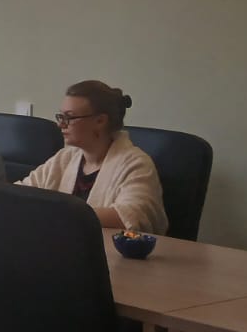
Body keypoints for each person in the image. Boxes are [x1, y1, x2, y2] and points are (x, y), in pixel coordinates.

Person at [19, 80, 167, 234]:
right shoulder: (65, 157)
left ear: (100, 121)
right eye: (60, 117)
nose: (61, 125)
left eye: (69, 118)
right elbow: (22, 192)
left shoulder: (136, 164)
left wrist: (58, 213)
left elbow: (132, 215)